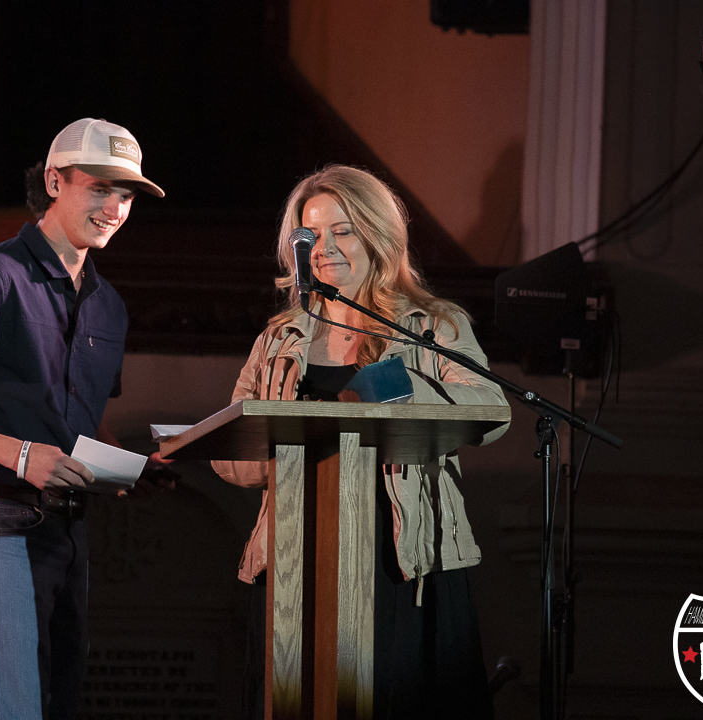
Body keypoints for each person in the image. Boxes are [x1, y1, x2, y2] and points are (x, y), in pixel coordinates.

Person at [211, 165, 510, 720]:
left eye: (342, 231)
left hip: (401, 561)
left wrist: (396, 388)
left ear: (378, 235)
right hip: (296, 560)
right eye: (310, 235)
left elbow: (492, 413)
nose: (323, 248)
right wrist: (263, 441)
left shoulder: (432, 326)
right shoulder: (279, 339)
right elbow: (236, 462)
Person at [0, 118, 171, 720]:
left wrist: (128, 466)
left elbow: (80, 426)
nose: (114, 208)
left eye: (126, 195)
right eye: (99, 188)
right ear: (54, 181)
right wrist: (22, 455)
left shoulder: (108, 304)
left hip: (68, 532)